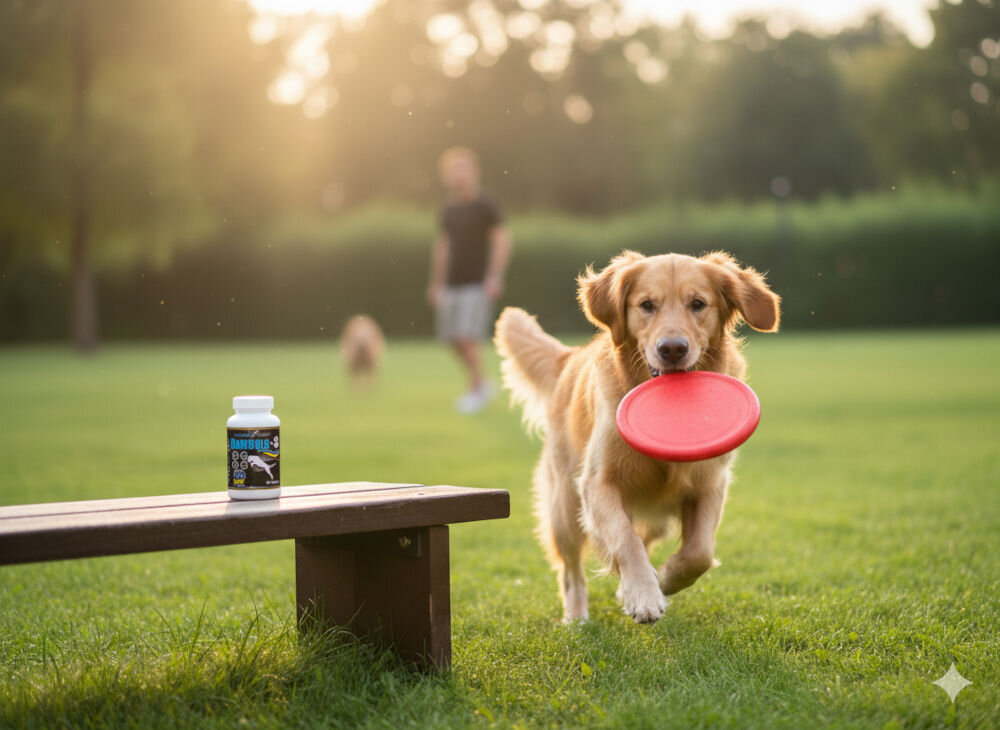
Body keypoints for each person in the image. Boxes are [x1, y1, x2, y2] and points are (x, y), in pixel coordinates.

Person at [426, 146, 512, 414]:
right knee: (451, 338)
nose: (458, 175)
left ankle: (476, 390)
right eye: (453, 171)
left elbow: (502, 241)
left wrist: (494, 277)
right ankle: (483, 383)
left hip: (477, 284)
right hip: (451, 284)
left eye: (462, 168)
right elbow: (442, 247)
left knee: (467, 337)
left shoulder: (486, 205)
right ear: (446, 177)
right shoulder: (448, 210)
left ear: (474, 172)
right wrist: (436, 283)